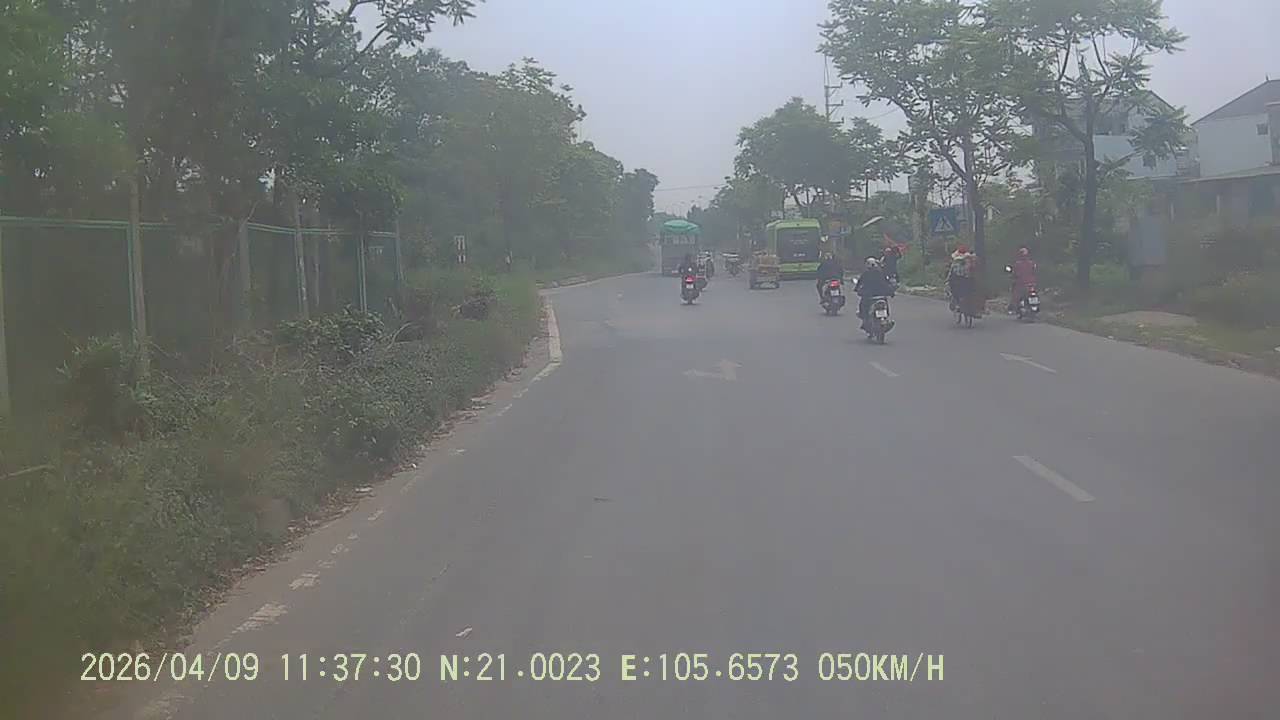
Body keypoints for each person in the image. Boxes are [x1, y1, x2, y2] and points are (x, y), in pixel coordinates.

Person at [854, 257, 895, 329]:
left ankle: (866, 320)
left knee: (863, 306)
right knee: (884, 303)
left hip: (870, 296)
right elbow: (887, 283)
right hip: (881, 295)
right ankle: (884, 319)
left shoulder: (866, 273)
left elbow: (860, 283)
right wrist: (891, 291)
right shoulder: (881, 273)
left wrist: (857, 289)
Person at [1007, 246, 1038, 313]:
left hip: (1021, 283)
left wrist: (1013, 276)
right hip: (1031, 283)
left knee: (1015, 295)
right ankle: (1018, 308)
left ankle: (1014, 308)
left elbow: (1014, 273)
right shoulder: (1032, 263)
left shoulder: (1018, 264)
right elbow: (1035, 272)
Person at [946, 245, 976, 313]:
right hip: (964, 279)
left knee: (955, 289)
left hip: (961, 279)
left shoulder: (957, 263)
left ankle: (959, 303)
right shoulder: (968, 261)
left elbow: (951, 273)